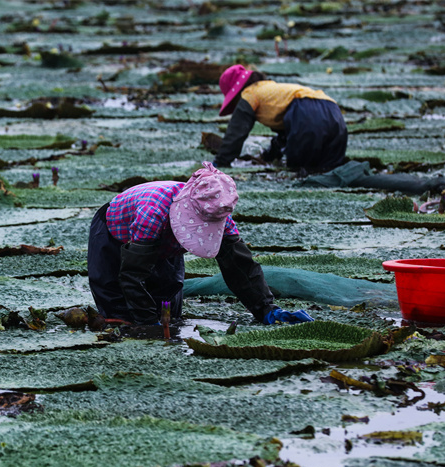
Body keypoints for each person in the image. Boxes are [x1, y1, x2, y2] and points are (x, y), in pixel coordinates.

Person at [87, 162, 312, 327]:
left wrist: (267, 309)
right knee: (121, 315)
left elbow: (240, 269)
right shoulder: (152, 211)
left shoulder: (218, 210)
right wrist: (147, 327)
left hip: (166, 245)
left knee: (169, 313)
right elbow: (132, 276)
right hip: (115, 236)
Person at [213, 64, 347, 173]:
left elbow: (236, 132)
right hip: (334, 112)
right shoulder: (271, 89)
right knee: (327, 171)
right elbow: (286, 134)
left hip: (306, 113)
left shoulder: (249, 94)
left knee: (297, 172)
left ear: (236, 94)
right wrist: (269, 156)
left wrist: (220, 162)